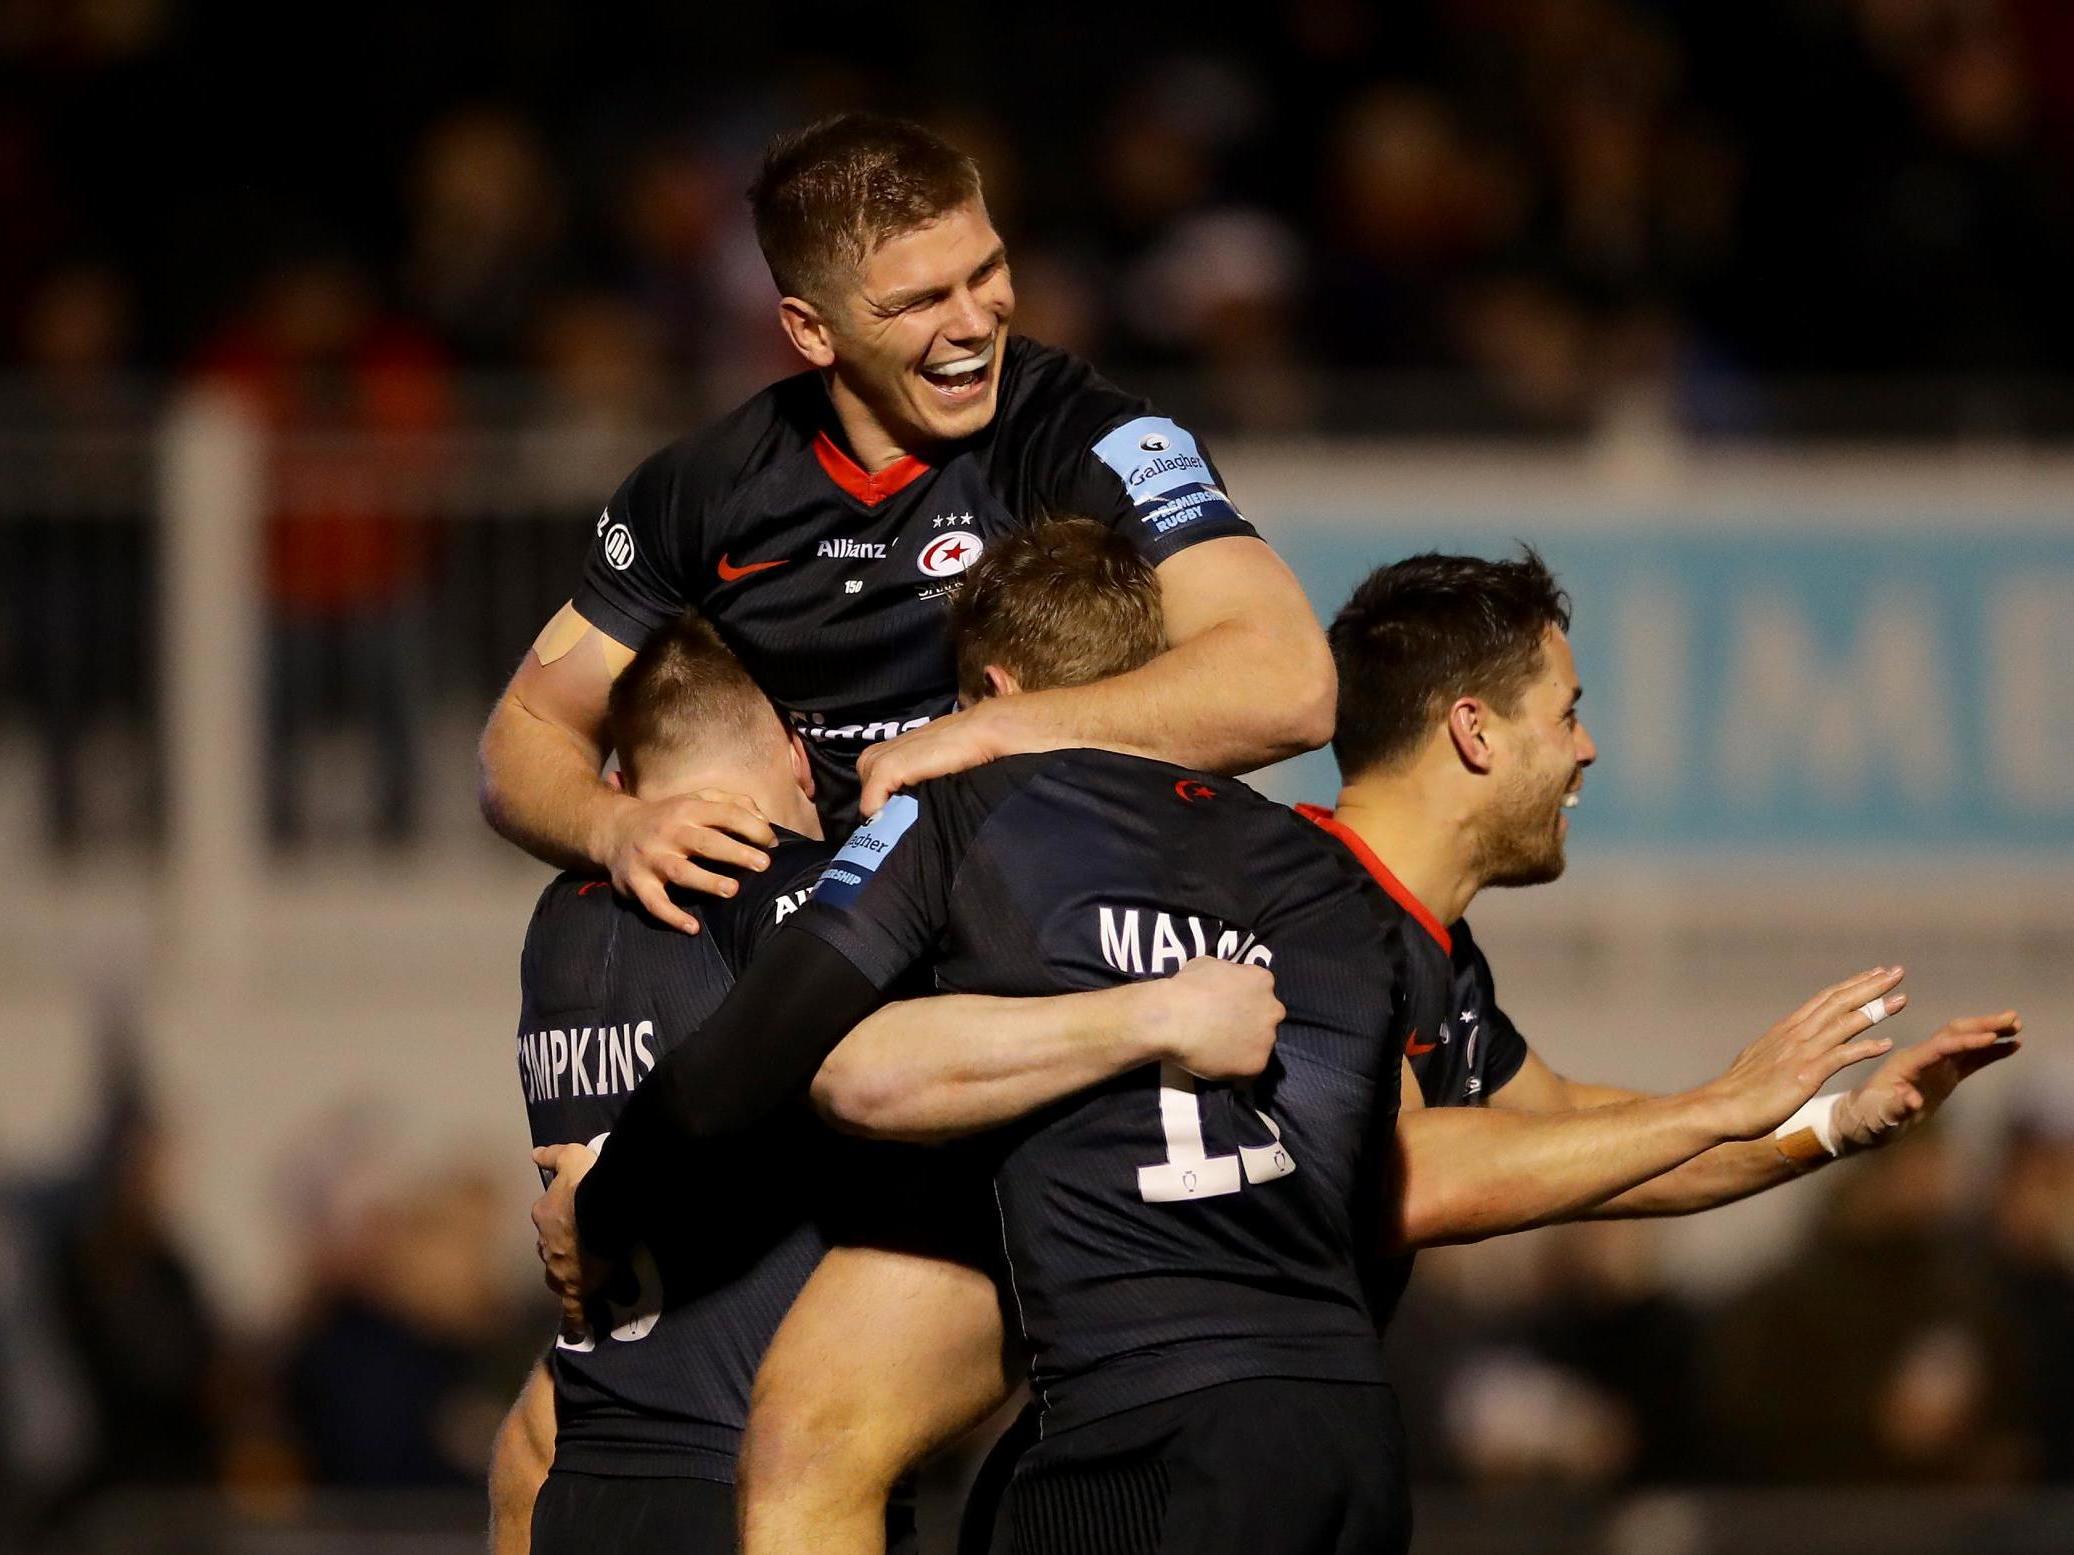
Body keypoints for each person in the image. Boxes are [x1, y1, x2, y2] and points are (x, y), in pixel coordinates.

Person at [533, 524, 1954, 1555]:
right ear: (1470, 730)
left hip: (1186, 1433)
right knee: (804, 1430)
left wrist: (1803, 1123)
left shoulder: (1391, 933)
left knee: (803, 1435)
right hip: (1205, 1428)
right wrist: (1735, 1106)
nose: (1587, 748)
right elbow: (1440, 1173)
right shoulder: (1306, 890)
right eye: (1565, 714)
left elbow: (1548, 1130)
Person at [506, 606, 1282, 1554]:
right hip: (755, 1497)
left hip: (589, 1490)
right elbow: (900, 1063)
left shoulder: (556, 930)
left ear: (625, 783)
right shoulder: (810, 901)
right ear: (799, 756)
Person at [477, 112, 1332, 933]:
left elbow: (1290, 683)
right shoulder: (700, 492)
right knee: (582, 934)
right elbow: (532, 730)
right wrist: (614, 830)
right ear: (812, 331)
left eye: (985, 272)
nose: (974, 322)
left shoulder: (1093, 441)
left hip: (1063, 922)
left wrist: (992, 731)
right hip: (821, 943)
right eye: (919, 300)